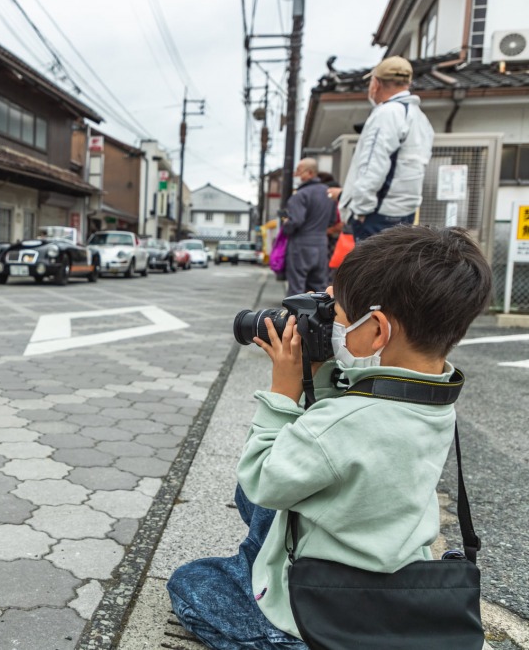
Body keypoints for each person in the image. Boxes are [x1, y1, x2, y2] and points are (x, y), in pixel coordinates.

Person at [166, 225, 492, 649]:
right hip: (387, 552)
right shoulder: (435, 392)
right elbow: (350, 426)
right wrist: (324, 363)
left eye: (335, 315)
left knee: (191, 582)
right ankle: (261, 562)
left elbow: (264, 480)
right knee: (257, 508)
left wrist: (282, 392)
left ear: (377, 330)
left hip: (323, 601)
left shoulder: (343, 422)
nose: (329, 321)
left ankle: (285, 633)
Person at [330, 56, 433, 243]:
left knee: (369, 270)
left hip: (376, 214)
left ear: (375, 83)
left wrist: (359, 210)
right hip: (405, 212)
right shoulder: (419, 118)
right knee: (392, 269)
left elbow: (373, 165)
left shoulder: (387, 114)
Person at [282, 158, 337, 296]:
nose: (296, 174)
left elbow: (296, 222)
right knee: (319, 288)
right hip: (321, 245)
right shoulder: (328, 193)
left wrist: (286, 223)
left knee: (296, 288)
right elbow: (332, 219)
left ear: (310, 173)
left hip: (300, 245)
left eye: (299, 170)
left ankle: (294, 317)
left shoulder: (300, 195)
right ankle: (319, 317)